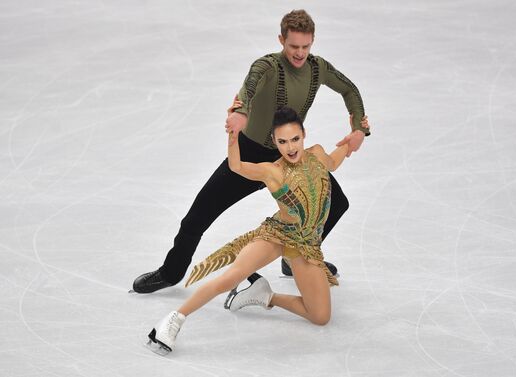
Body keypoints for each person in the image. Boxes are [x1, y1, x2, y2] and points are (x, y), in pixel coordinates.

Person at [132, 9, 370, 294]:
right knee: (196, 218)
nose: (300, 53)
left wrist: (358, 127)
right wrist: (241, 114)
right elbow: (249, 88)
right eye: (293, 46)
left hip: (289, 157)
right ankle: (171, 272)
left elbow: (350, 90)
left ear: (313, 41)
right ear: (281, 39)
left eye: (306, 46)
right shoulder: (267, 66)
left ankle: (297, 257)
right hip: (249, 153)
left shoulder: (318, 68)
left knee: (337, 203)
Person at [146, 106, 351, 355]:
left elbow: (335, 161)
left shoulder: (317, 154)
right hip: (277, 235)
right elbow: (236, 167)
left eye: (295, 139)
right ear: (274, 142)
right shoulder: (272, 170)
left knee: (320, 316)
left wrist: (355, 136)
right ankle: (173, 320)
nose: (291, 147)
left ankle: (265, 295)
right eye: (283, 141)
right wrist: (233, 139)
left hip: (305, 245)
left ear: (304, 135)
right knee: (231, 276)